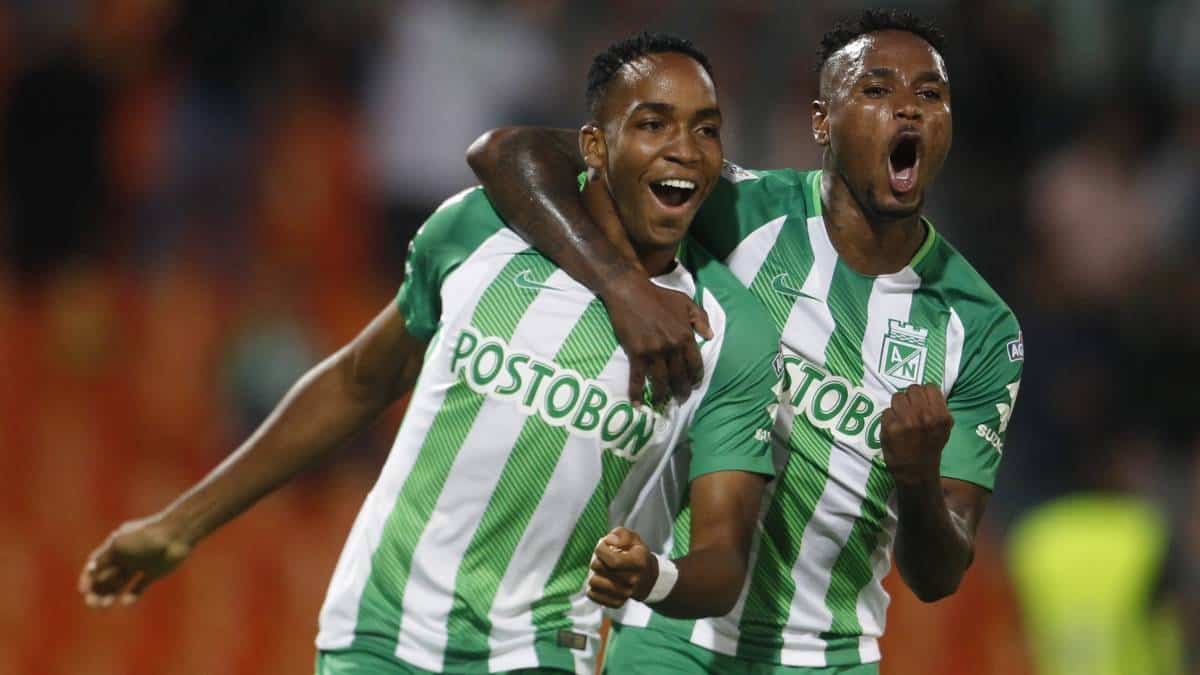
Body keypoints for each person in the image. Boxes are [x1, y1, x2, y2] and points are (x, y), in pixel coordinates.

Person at [78, 33, 784, 675]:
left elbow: (724, 558)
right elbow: (360, 379)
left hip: (538, 649)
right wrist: (179, 524)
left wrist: (653, 577)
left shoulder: (730, 328)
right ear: (594, 147)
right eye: (654, 123)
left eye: (706, 128)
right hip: (379, 629)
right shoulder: (479, 228)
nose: (684, 147)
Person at [467, 9, 1024, 674]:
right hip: (674, 639)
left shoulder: (982, 324)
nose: (906, 110)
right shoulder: (738, 212)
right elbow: (508, 154)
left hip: (830, 656)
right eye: (876, 91)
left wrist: (917, 478)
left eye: (928, 95)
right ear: (821, 121)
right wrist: (625, 288)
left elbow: (938, 574)